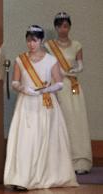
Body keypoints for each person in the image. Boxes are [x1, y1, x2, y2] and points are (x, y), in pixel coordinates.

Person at [3, 25, 78, 190]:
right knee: (25, 140)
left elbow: (59, 83)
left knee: (44, 139)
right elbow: (14, 82)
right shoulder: (20, 60)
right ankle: (21, 178)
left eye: (35, 41)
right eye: (29, 41)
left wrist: (47, 89)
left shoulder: (51, 60)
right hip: (26, 104)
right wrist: (23, 88)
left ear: (41, 41)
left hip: (45, 104)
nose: (31, 44)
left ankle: (43, 176)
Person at [45, 12, 92, 174]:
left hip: (72, 87)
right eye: (59, 26)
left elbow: (80, 66)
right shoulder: (49, 46)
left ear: (69, 27)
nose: (62, 29)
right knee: (59, 121)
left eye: (65, 26)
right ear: (56, 27)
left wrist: (72, 71)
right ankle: (58, 162)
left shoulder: (76, 45)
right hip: (57, 86)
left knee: (76, 121)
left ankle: (79, 161)